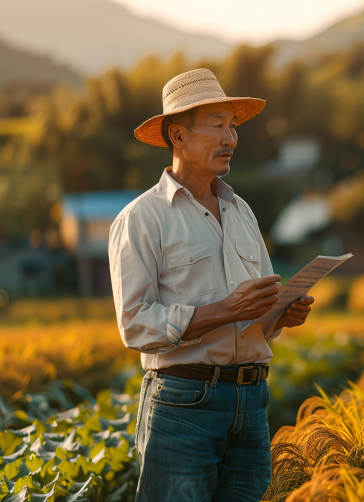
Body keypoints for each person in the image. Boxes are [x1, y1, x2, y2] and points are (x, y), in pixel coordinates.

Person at [108, 68, 314, 501]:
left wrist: (280, 314)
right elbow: (135, 324)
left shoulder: (241, 211)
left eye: (233, 126)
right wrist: (227, 310)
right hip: (184, 404)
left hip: (251, 401)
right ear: (177, 136)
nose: (231, 138)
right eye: (216, 126)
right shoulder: (142, 218)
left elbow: (255, 311)